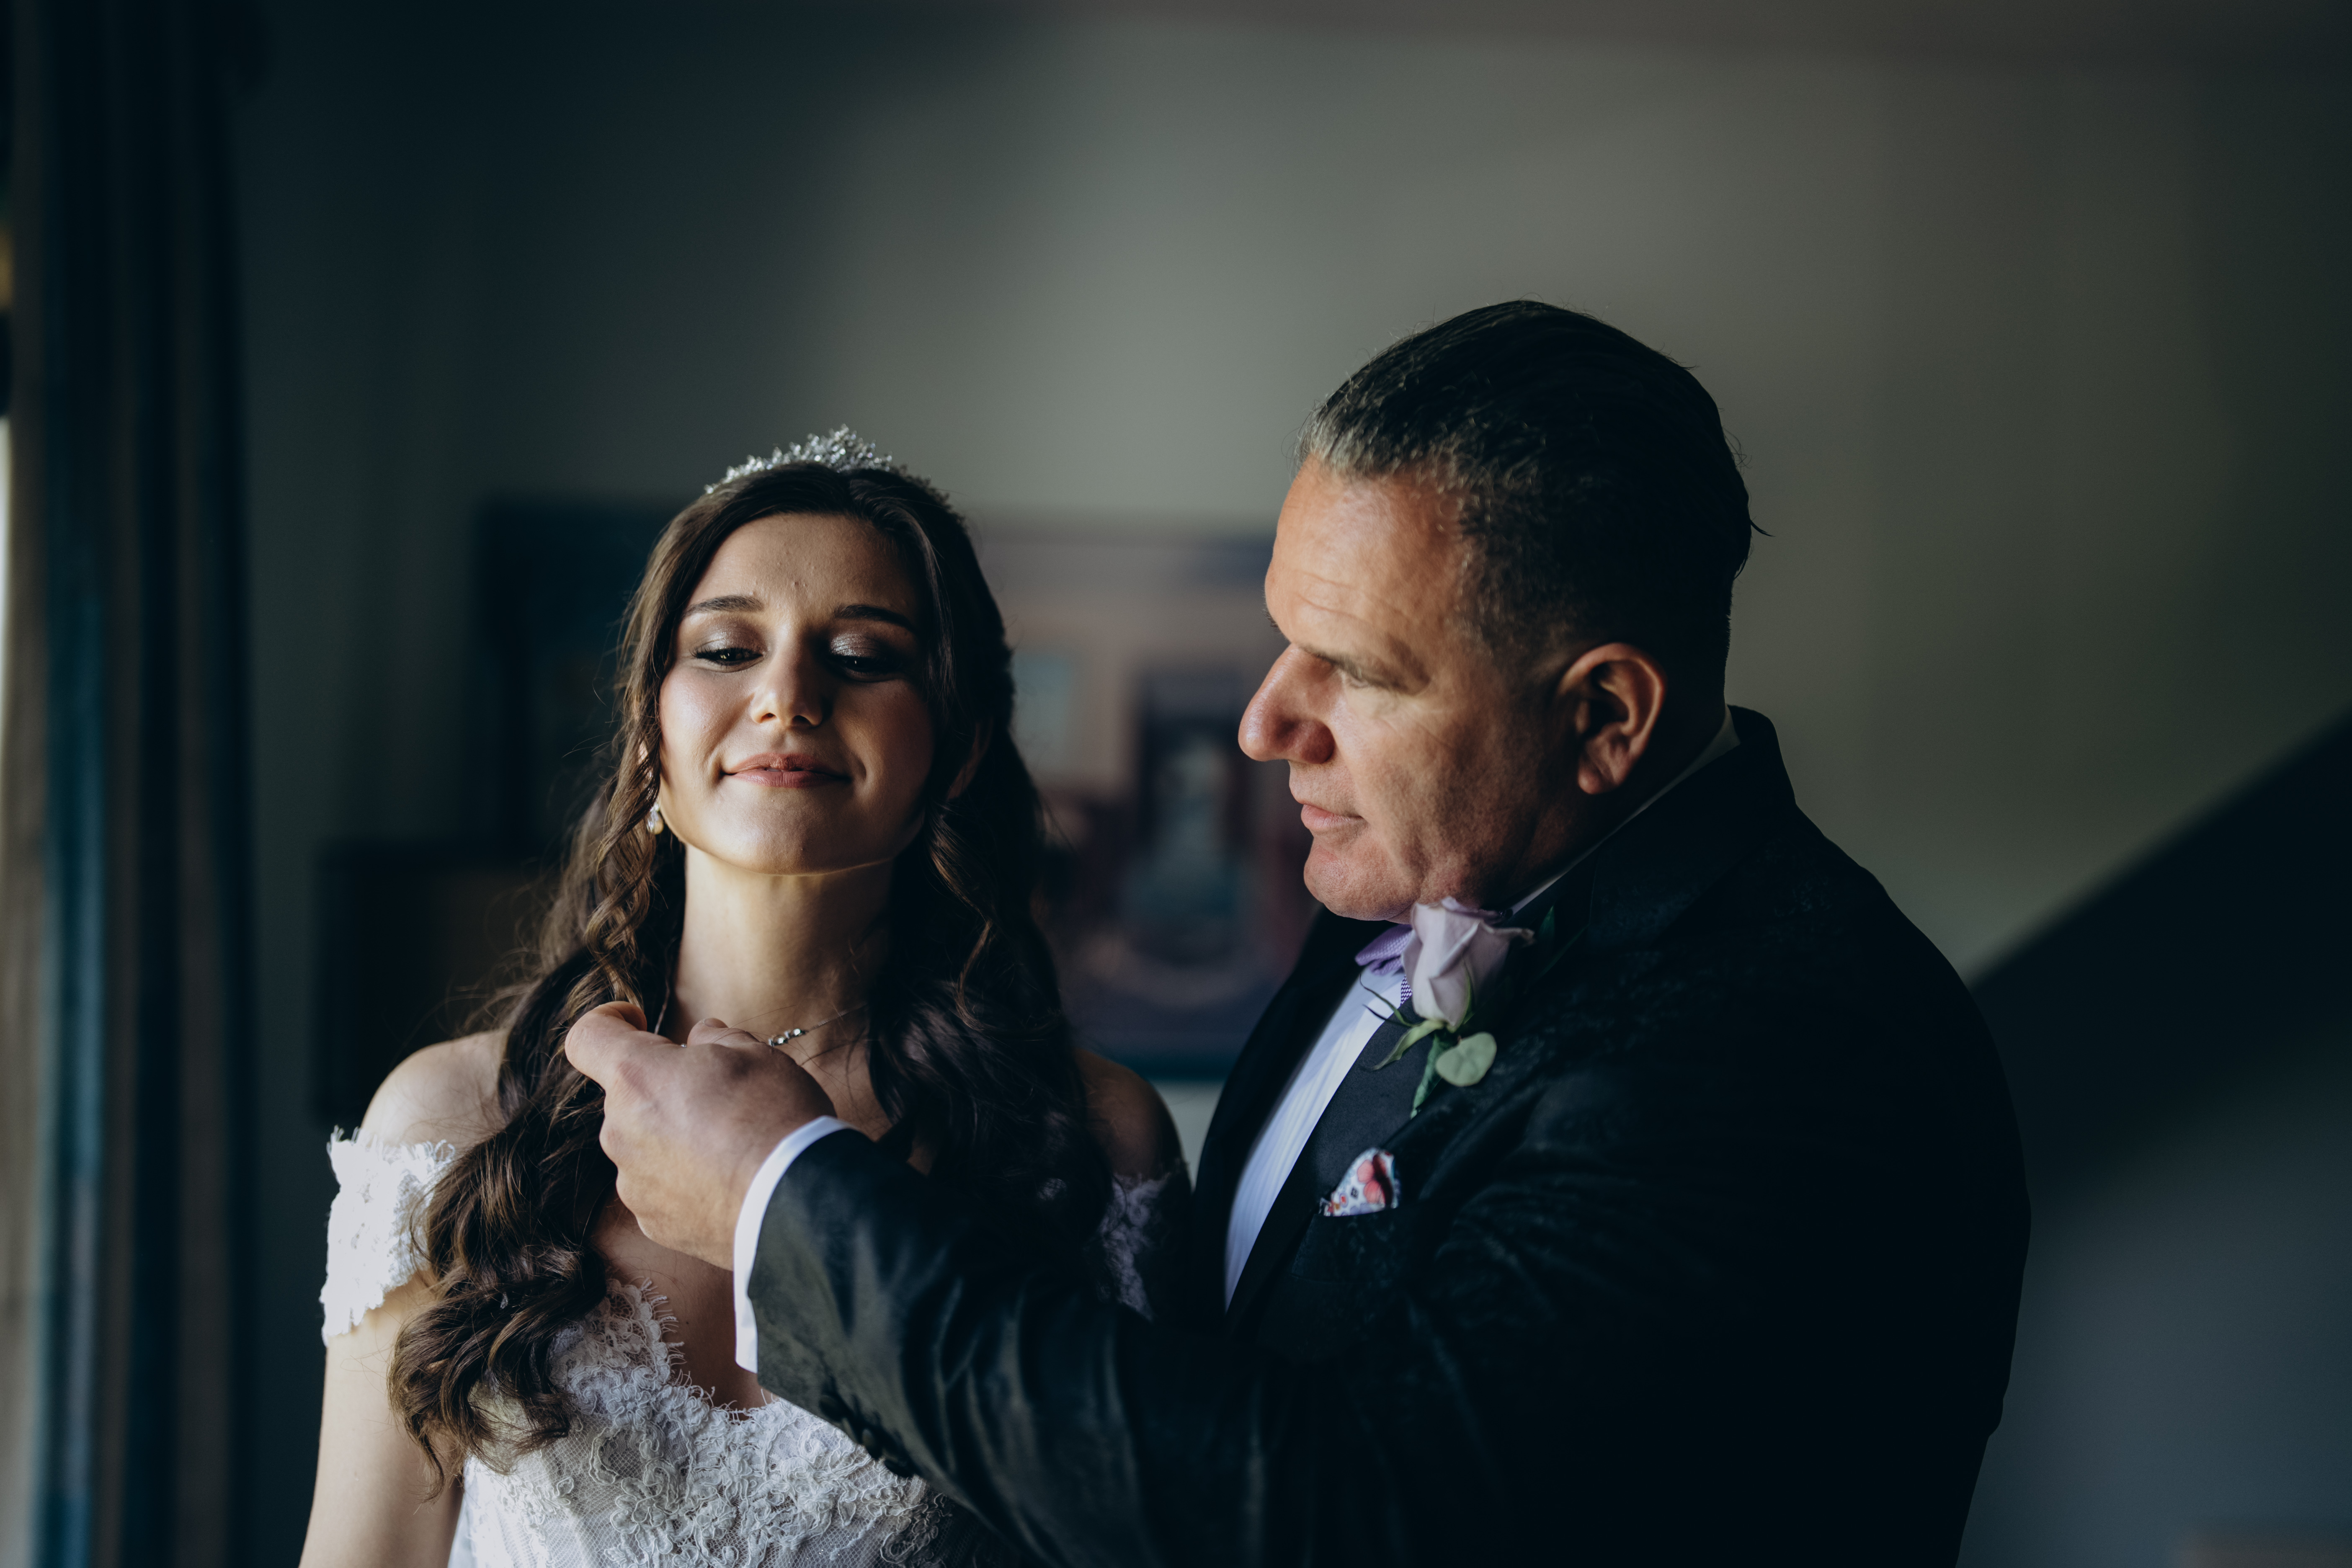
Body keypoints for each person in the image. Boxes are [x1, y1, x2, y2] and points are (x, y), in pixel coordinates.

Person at [569, 302, 2033, 1567]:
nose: (1266, 724)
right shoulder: (1422, 880)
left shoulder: (1787, 1050)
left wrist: (783, 1200)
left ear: (1603, 717)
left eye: (1356, 672)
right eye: (1285, 638)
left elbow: (1341, 1511)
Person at [300, 433, 1186, 1568]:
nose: (787, 696)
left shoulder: (1089, 1140)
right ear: (649, 730)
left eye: (862, 656)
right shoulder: (452, 1124)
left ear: (958, 746)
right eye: (726, 650)